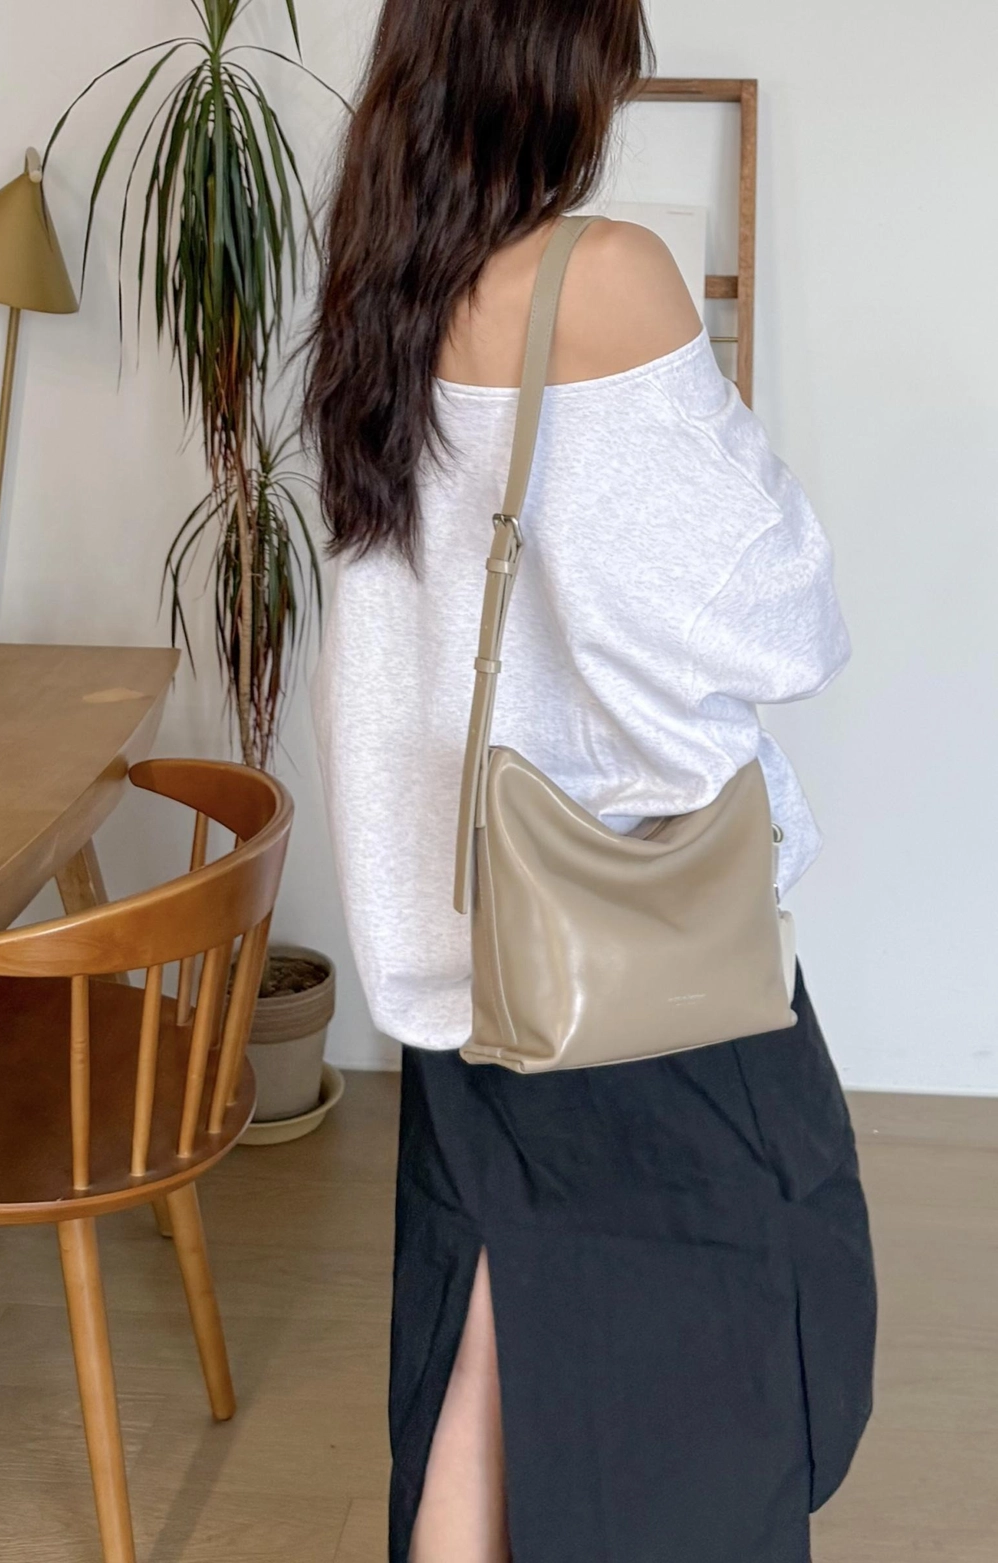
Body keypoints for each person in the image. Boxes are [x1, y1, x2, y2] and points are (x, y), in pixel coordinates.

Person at [304, 3, 877, 1560]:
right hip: (635, 943)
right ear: (555, 74)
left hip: (458, 943)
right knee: (731, 1347)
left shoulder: (378, 286)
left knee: (490, 1323)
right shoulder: (600, 276)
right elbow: (773, 616)